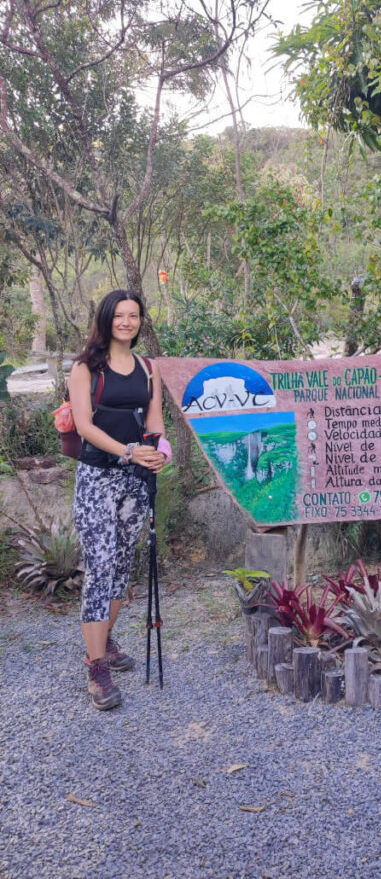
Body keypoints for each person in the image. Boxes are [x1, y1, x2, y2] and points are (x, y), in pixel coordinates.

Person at [70, 290, 171, 710]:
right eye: (120, 315)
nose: (126, 322)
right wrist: (128, 451)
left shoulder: (149, 369)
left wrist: (161, 452)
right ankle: (96, 668)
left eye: (134, 316)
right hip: (97, 478)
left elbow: (155, 422)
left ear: (140, 321)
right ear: (107, 319)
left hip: (135, 482)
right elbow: (84, 426)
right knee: (100, 565)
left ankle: (104, 642)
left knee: (121, 565)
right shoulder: (85, 368)